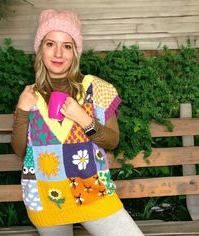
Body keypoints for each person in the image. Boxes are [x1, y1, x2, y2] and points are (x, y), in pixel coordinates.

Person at [11, 9, 144, 236]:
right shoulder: (29, 96)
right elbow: (21, 150)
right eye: (50, 44)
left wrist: (83, 119)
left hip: (94, 194)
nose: (58, 53)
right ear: (40, 49)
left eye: (67, 46)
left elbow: (112, 141)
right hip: (47, 198)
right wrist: (22, 111)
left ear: (75, 52)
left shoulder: (97, 88)